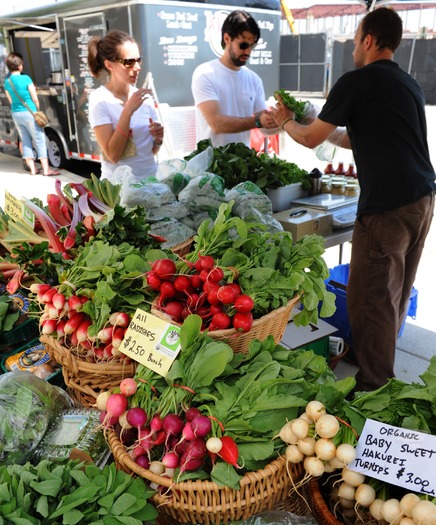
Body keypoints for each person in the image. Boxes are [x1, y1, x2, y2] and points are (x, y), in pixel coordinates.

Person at [271, 7, 436, 392]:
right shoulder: (407, 83)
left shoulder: (358, 79)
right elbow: (352, 138)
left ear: (368, 40)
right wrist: (320, 124)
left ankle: (375, 386)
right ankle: (371, 355)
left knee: (372, 296)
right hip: (421, 200)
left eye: (355, 39)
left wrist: (284, 121)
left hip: (388, 207)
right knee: (393, 289)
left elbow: (309, 138)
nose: (352, 48)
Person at [191, 10, 278, 148]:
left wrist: (285, 122)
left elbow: (264, 128)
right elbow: (216, 123)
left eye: (252, 45)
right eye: (243, 45)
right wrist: (256, 121)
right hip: (211, 164)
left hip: (243, 164)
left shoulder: (254, 80)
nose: (248, 51)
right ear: (227, 39)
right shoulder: (204, 73)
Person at [87, 30, 164, 181]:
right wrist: (128, 110)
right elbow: (113, 155)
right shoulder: (100, 99)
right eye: (129, 62)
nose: (137, 67)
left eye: (139, 60)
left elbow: (149, 153)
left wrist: (158, 139)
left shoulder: (144, 98)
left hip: (151, 183)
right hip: (120, 189)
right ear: (109, 65)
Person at [4, 52, 60, 176]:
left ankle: (33, 169)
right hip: (29, 112)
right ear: (19, 66)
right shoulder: (26, 78)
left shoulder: (7, 82)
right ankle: (46, 170)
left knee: (25, 140)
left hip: (16, 113)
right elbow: (34, 98)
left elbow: (11, 100)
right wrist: (37, 110)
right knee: (39, 139)